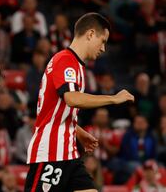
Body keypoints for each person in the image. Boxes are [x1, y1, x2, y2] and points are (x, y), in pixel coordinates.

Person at [24, 12, 135, 192]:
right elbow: (72, 98)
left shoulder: (74, 64)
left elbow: (56, 109)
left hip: (69, 153)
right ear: (90, 34)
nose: (103, 48)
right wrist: (113, 98)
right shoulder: (66, 60)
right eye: (103, 41)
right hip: (51, 153)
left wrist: (78, 132)